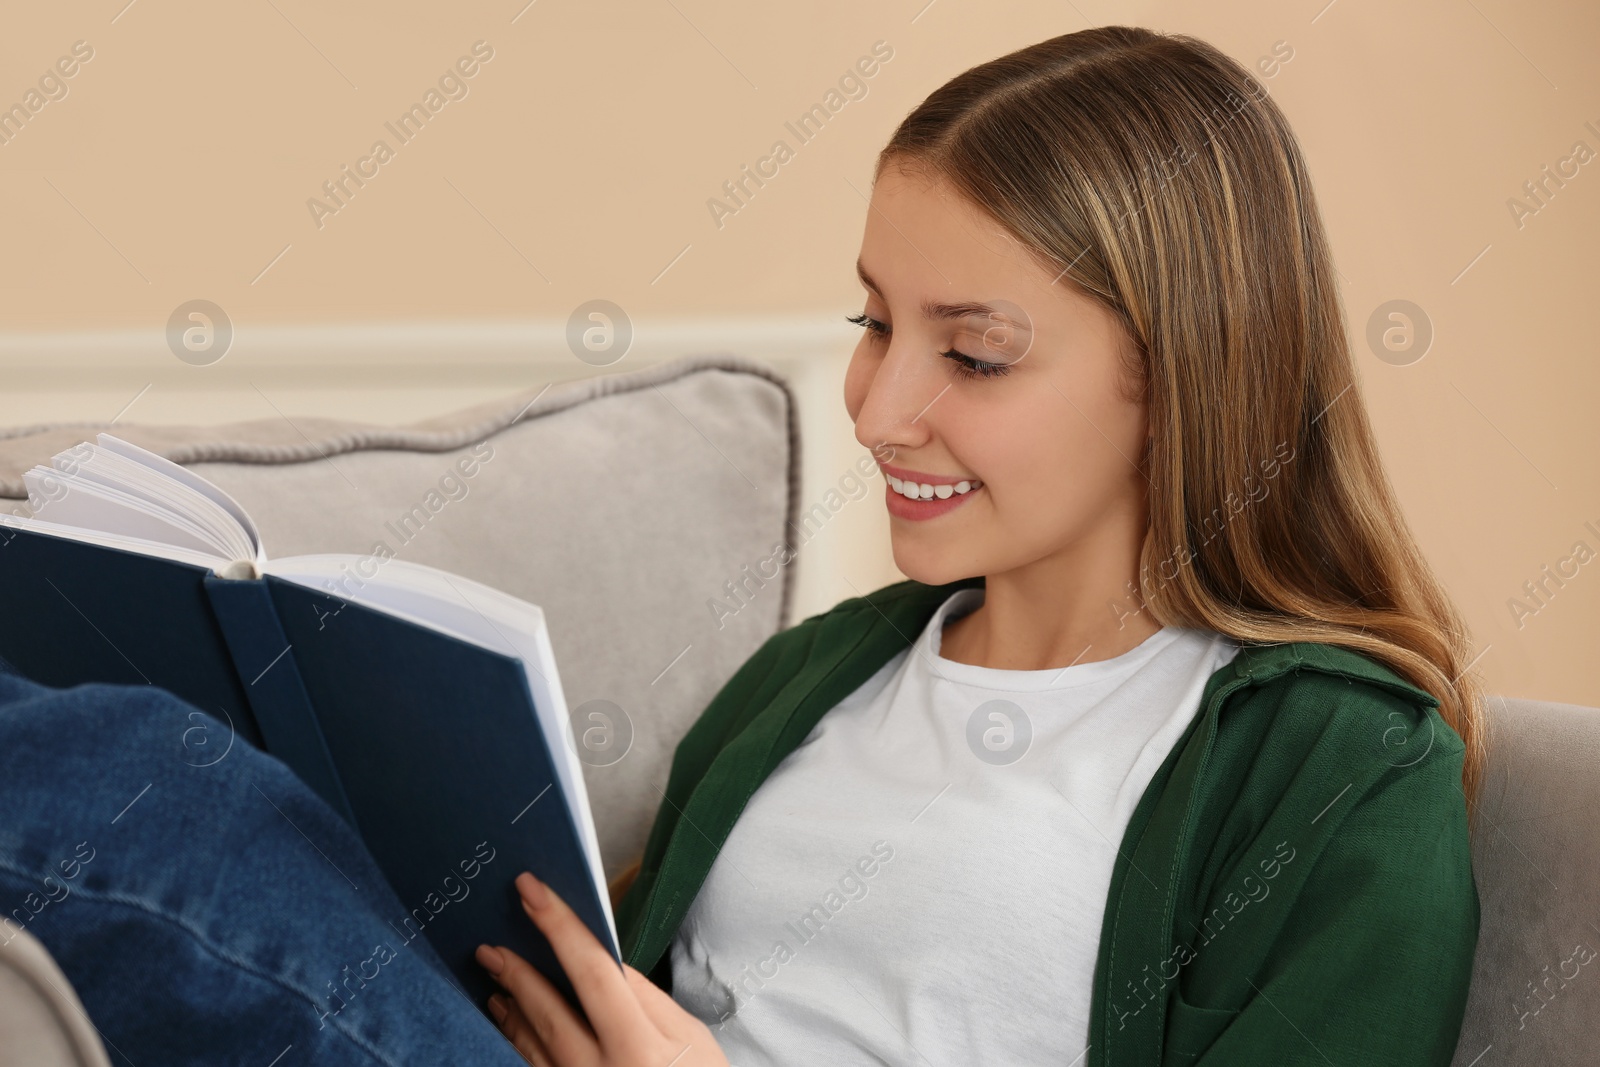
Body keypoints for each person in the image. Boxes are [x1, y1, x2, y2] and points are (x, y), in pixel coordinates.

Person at [0, 24, 1481, 1067]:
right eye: (874, 324)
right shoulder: (828, 673)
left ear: (1185, 370)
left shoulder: (1342, 772)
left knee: (143, 788)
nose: (882, 408)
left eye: (972, 354)